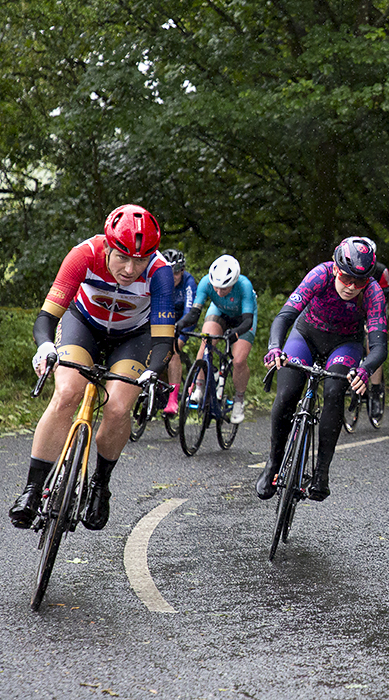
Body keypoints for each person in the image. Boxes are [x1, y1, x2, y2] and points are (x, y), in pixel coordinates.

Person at [9, 204, 175, 530]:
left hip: (133, 337)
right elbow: (47, 317)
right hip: (83, 325)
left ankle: (100, 484)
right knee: (67, 394)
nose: (130, 268)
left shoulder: (161, 272)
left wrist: (153, 370)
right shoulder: (84, 254)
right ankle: (32, 489)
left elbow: (162, 340)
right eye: (123, 257)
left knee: (117, 408)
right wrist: (45, 346)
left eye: (140, 260)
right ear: (108, 247)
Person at [256, 236, 388, 502]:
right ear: (336, 269)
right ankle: (273, 463)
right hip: (306, 335)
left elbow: (379, 347)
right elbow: (286, 315)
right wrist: (274, 347)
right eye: (346, 278)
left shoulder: (373, 293)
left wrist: (364, 370)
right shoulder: (321, 274)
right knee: (288, 393)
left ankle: (322, 473)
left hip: (344, 345)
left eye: (359, 282)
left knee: (335, 390)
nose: (351, 287)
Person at [175, 254, 257, 424]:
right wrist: (180, 324)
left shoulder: (244, 286)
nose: (219, 292)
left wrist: (235, 333)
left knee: (238, 361)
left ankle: (239, 400)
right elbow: (194, 314)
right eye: (216, 287)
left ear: (233, 283)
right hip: (219, 312)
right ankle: (199, 386)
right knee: (206, 342)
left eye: (224, 288)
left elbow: (248, 321)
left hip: (243, 318)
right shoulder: (206, 282)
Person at [162, 249, 198, 415]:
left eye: (176, 274)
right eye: (169, 273)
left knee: (173, 351)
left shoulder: (189, 282)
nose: (172, 278)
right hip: (163, 319)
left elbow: (189, 311)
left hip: (183, 322)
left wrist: (180, 326)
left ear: (182, 271)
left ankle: (173, 400)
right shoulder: (158, 279)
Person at [368, 253, 389, 420]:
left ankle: (375, 391)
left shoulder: (381, 271)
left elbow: (384, 299)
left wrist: (371, 323)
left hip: (375, 309)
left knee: (373, 346)